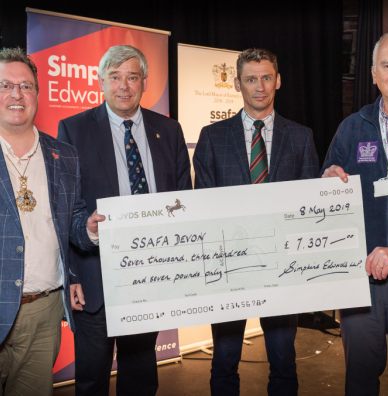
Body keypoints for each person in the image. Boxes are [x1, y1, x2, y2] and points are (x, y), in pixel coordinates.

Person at [58, 45, 192, 396]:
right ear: (101, 82)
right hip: (95, 279)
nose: (124, 86)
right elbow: (66, 208)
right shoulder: (74, 130)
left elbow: (184, 201)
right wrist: (71, 274)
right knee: (91, 380)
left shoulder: (169, 130)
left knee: (141, 375)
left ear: (144, 82)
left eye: (132, 77)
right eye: (115, 77)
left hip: (150, 278)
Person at [193, 48, 319, 396]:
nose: (259, 86)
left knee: (283, 362)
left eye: (266, 77)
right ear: (237, 83)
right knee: (224, 362)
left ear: (278, 81)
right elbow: (202, 207)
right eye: (250, 79)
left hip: (282, 270)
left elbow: (310, 208)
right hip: (230, 271)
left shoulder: (301, 136)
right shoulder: (212, 137)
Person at [0, 48, 103, 396]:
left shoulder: (63, 155)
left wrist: (87, 229)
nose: (16, 94)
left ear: (37, 95)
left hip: (44, 312)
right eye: (6, 85)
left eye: (26, 86)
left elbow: (70, 221)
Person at [322, 31, 388, 396]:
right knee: (360, 383)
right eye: (387, 65)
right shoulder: (352, 128)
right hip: (360, 285)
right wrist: (326, 181)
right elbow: (324, 194)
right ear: (372, 74)